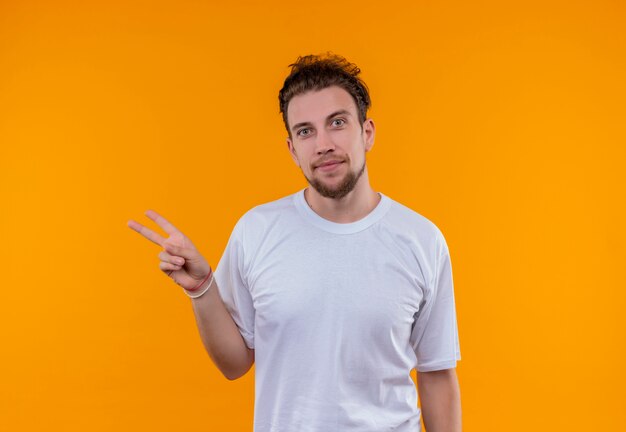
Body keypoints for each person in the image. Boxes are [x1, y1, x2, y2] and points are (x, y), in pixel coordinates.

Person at [128, 53, 462, 432]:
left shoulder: (421, 240)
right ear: (292, 149)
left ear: (366, 132)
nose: (323, 144)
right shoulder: (257, 231)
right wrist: (202, 289)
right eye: (305, 131)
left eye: (337, 123)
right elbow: (234, 364)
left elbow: (437, 375)